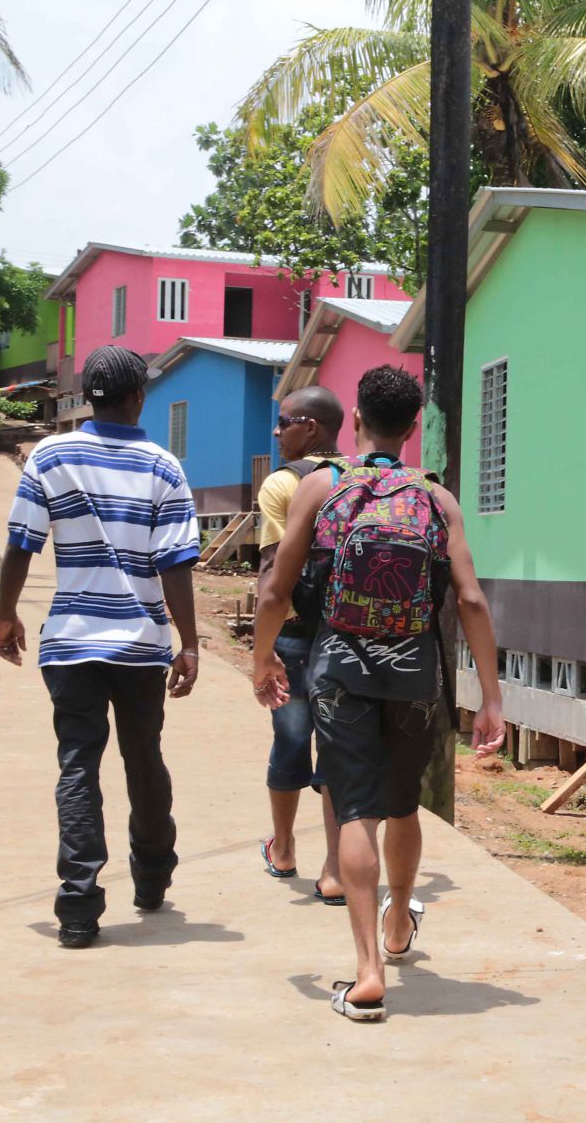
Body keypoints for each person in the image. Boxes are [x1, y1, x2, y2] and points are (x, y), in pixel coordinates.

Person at [256, 365, 505, 1022]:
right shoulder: (436, 497)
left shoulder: (321, 486)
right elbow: (472, 599)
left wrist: (262, 661)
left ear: (357, 420)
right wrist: (492, 698)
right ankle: (399, 920)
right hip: (416, 674)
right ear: (413, 428)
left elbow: (276, 589)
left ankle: (367, 972)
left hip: (339, 668)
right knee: (402, 808)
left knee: (356, 808)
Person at [0, 345, 202, 950]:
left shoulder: (50, 456)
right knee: (144, 759)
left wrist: (6, 615)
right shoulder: (163, 465)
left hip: (70, 644)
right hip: (140, 646)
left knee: (77, 766)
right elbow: (175, 565)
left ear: (88, 395)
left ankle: (79, 909)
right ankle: (153, 877)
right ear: (139, 396)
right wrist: (189, 643)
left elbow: (21, 543)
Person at [249, 384, 348, 902]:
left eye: (284, 420)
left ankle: (284, 849)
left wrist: (262, 652)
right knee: (338, 747)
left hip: (292, 635)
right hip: (346, 639)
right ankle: (334, 867)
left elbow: (273, 576)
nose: (277, 430)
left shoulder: (284, 484)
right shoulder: (359, 481)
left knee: (289, 740)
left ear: (310, 426)